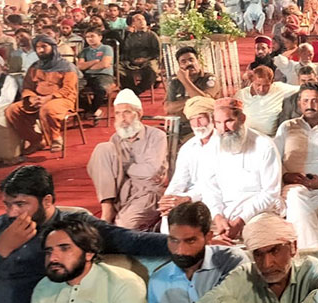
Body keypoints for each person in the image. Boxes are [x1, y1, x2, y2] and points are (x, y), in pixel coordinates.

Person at [0, 165, 168, 303]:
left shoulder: (73, 228)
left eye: (21, 204)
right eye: (7, 204)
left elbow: (130, 240)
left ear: (47, 200)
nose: (12, 213)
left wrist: (183, 243)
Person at [25, 218, 149, 303]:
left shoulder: (123, 283)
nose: (53, 258)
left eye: (64, 249)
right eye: (49, 251)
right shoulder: (44, 287)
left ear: (89, 253)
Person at [148, 202, 247, 303]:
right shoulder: (158, 280)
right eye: (174, 240)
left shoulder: (231, 261)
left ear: (208, 237)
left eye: (190, 241)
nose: (180, 250)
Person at [87, 89, 167, 230]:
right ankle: (107, 208)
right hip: (121, 189)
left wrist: (121, 164)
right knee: (102, 148)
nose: (122, 118)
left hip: (147, 192)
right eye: (118, 113)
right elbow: (102, 170)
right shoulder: (115, 139)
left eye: (127, 112)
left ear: (139, 114)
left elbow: (149, 171)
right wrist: (130, 168)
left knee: (123, 227)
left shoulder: (157, 136)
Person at [204, 97, 283, 240]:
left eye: (229, 121)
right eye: (218, 123)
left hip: (258, 213)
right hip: (222, 214)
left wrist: (241, 220)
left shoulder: (264, 145)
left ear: (242, 118)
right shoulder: (212, 146)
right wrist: (217, 216)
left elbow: (270, 194)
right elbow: (210, 188)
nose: (224, 129)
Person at [275, 82, 318, 248]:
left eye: (314, 101)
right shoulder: (287, 127)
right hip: (290, 188)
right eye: (305, 101)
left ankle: (301, 252)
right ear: (299, 103)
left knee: (299, 211)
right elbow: (274, 160)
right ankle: (314, 250)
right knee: (297, 195)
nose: (309, 105)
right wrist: (286, 175)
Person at [5, 34, 77, 154]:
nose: (40, 50)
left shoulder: (67, 66)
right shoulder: (34, 67)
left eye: (44, 46)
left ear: (53, 47)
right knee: (12, 110)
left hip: (62, 99)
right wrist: (31, 97)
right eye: (37, 47)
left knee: (47, 109)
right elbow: (27, 86)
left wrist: (48, 98)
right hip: (37, 99)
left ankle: (55, 139)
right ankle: (36, 140)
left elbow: (68, 89)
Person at [159, 97, 218, 232]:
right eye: (193, 119)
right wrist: (168, 200)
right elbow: (179, 180)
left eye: (201, 118)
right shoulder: (188, 147)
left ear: (212, 118)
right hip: (190, 197)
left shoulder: (224, 145)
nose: (197, 124)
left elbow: (215, 184)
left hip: (215, 197)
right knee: (169, 214)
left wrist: (187, 198)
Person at [235, 65, 300, 137]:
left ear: (272, 82)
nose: (261, 89)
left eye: (266, 85)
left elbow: (303, 88)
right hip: (246, 136)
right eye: (258, 84)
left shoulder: (279, 88)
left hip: (270, 137)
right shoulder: (241, 95)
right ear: (252, 81)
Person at [164, 46, 220, 121]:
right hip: (182, 125)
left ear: (198, 61)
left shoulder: (209, 78)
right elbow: (168, 108)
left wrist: (185, 80)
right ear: (179, 66)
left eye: (191, 60)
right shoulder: (174, 80)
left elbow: (204, 103)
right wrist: (192, 101)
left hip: (206, 123)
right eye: (183, 62)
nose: (189, 63)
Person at [119, 13, 160, 95]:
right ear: (133, 24)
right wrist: (132, 60)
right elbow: (126, 51)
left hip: (149, 59)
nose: (142, 21)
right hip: (133, 60)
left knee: (151, 69)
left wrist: (145, 59)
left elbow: (157, 52)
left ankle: (136, 91)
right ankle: (131, 88)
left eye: (143, 19)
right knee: (118, 67)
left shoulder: (152, 35)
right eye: (138, 20)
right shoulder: (130, 36)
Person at [77, 27, 115, 116]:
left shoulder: (106, 48)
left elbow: (104, 64)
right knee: (72, 90)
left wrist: (87, 66)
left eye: (92, 36)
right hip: (86, 76)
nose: (89, 39)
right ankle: (93, 111)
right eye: (87, 37)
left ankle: (91, 111)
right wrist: (95, 61)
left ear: (100, 37)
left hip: (104, 75)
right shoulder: (84, 51)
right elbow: (80, 66)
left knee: (100, 90)